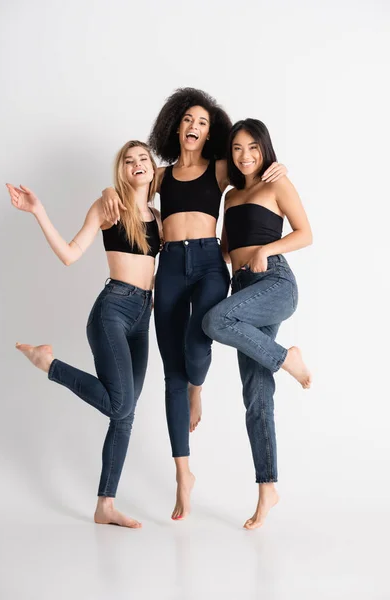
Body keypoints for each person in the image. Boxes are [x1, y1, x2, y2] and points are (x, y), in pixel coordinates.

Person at [100, 89, 288, 520]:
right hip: (169, 268)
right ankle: (183, 474)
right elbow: (130, 186)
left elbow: (251, 166)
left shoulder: (220, 170)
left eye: (203, 123)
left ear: (210, 133)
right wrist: (107, 192)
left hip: (207, 264)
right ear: (175, 125)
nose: (194, 127)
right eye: (188, 119)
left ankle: (196, 389)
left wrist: (278, 168)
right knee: (171, 373)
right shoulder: (161, 177)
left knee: (200, 337)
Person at [6, 141, 162, 528]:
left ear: (153, 169)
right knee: (121, 405)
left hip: (143, 317)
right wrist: (38, 211)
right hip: (112, 310)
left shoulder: (160, 218)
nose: (137, 164)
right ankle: (48, 363)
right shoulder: (110, 207)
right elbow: (70, 253)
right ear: (121, 171)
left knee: (124, 415)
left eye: (143, 159)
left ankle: (104, 506)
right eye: (129, 161)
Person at [201, 119, 312, 530]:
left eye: (252, 147)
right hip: (243, 284)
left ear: (264, 149)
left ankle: (287, 359)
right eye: (236, 149)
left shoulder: (276, 184)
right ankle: (268, 489)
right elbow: (227, 252)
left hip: (276, 282)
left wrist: (267, 248)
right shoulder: (229, 196)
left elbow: (305, 233)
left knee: (217, 320)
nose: (245, 156)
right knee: (256, 395)